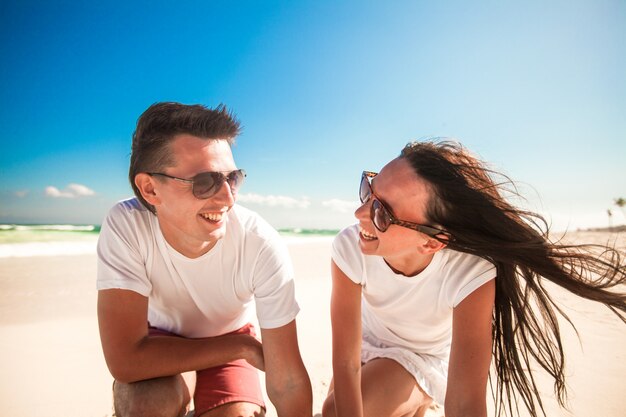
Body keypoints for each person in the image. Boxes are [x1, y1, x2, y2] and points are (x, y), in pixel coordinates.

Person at [322, 140, 625, 417]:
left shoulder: (470, 271)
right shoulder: (350, 246)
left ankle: (422, 394)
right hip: (367, 343)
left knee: (335, 411)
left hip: (421, 355)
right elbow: (346, 362)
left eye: (382, 213)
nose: (359, 212)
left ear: (432, 242)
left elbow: (466, 402)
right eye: (368, 189)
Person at [97, 102, 312, 417]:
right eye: (205, 182)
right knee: (145, 407)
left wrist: (237, 348)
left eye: (233, 178)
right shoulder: (127, 224)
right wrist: (242, 347)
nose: (227, 197)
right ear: (149, 189)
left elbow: (289, 380)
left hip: (232, 337)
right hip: (162, 341)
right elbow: (126, 360)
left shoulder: (260, 242)